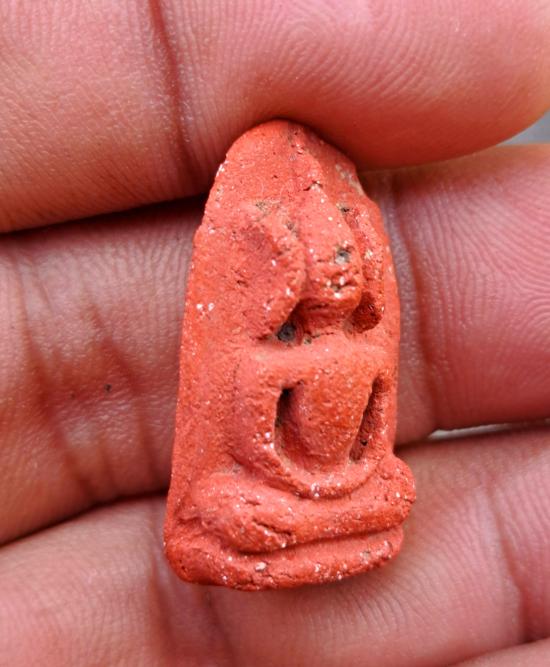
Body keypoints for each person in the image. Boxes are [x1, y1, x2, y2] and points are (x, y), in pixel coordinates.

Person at [0, 2, 549, 665]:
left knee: (396, 492)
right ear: (294, 279)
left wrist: (344, 486)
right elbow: (256, 450)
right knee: (229, 509)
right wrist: (301, 490)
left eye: (350, 264)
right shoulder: (266, 361)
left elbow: (375, 439)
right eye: (328, 268)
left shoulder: (367, 353)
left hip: (343, 494)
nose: (342, 278)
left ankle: (322, 529)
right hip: (275, 492)